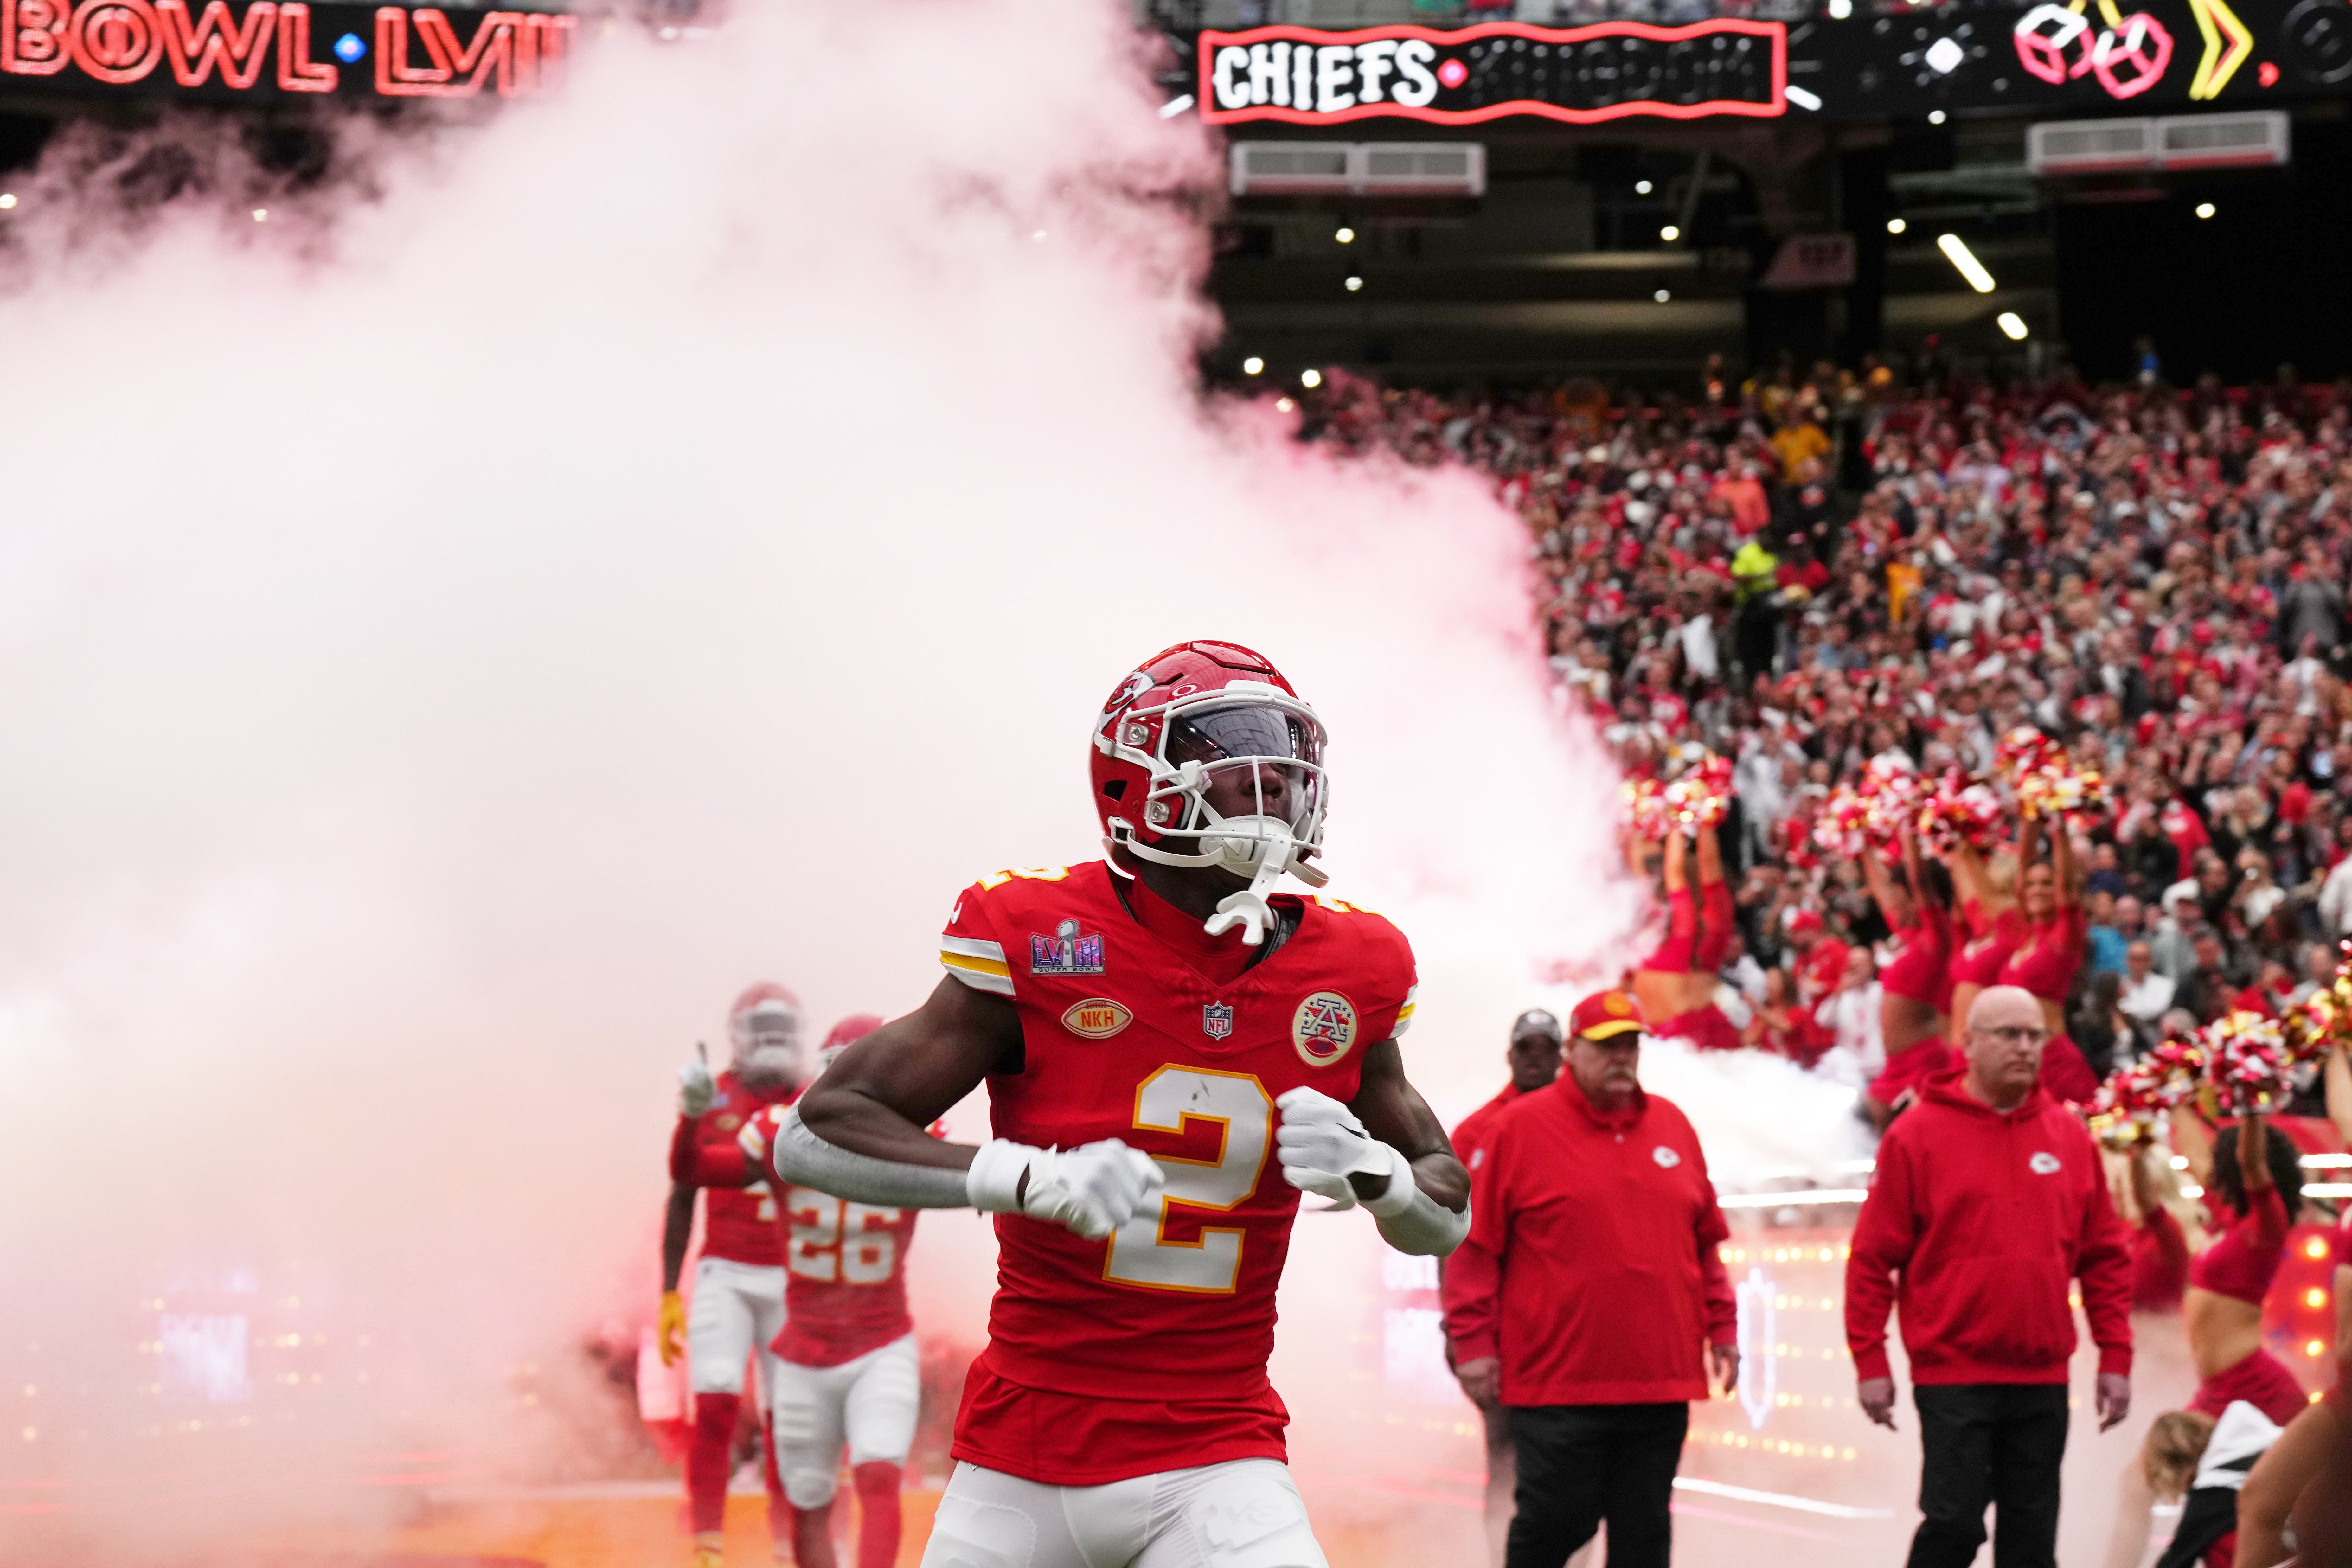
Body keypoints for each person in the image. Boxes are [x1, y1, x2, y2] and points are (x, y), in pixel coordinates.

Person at [772, 640, 1470, 1568]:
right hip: (1023, 1446)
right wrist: (1024, 1175)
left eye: (1283, 760)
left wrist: (1378, 1175)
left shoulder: (1352, 966)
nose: (1271, 786)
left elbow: (1446, 1206)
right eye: (1234, 761)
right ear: (1132, 780)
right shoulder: (1039, 934)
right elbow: (813, 1131)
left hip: (1219, 1446)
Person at [1443, 989, 1738, 1568]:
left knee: (1644, 1531)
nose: (1621, 1057)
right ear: (1572, 1051)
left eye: (1630, 1044)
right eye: (1607, 1046)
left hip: (1659, 1378)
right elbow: (1473, 1250)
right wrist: (1473, 1345)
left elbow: (1704, 1244)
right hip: (1556, 1383)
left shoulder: (1674, 1125)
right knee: (1553, 1524)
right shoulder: (1515, 1130)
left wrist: (1723, 1326)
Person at [1846, 984, 2133, 1568]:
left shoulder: (2069, 1136)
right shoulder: (1915, 1134)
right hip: (1953, 1372)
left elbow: (2103, 1255)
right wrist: (1869, 1360)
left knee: (2030, 1540)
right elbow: (1873, 1258)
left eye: (2034, 1035)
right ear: (1968, 1043)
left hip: (2041, 1373)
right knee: (1953, 1524)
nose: (2025, 1047)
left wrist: (2115, 1356)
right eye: (2008, 1034)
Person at [674, 1015, 914, 1568]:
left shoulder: (917, 1125)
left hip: (874, 1330)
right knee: (730, 1406)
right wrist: (689, 1117)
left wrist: (1009, 1177)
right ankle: (709, 1545)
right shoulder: (780, 1121)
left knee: (875, 1467)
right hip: (782, 1301)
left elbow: (968, 1176)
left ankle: (794, 1542)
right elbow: (692, 1173)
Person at [663, 983, 808, 1568]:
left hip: (789, 1274)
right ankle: (707, 1546)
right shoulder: (713, 1096)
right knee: (717, 1396)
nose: (773, 1037)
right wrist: (666, 1289)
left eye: (782, 1024)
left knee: (788, 1416)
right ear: (737, 1033)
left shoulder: (812, 1098)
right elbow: (682, 1192)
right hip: (724, 1266)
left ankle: (785, 1544)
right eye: (762, 1024)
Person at [1448, 1010, 1569, 1568]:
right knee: (1506, 1459)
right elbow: (1449, 1237)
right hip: (1499, 1330)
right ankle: (1504, 1556)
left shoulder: (1584, 1120)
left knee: (1576, 1463)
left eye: (1547, 1046)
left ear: (1562, 1054)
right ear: (1510, 1054)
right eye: (1526, 1046)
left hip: (1566, 1329)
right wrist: (1463, 1335)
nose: (1535, 1055)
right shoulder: (1476, 1130)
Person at [1996, 816, 2102, 1102]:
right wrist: (2029, 819)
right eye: (2031, 884)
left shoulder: (2064, 937)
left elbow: (2067, 888)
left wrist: (2059, 826)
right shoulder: (2025, 936)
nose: (2036, 890)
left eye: (2046, 883)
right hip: (2019, 1064)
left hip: (2055, 1063)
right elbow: (2022, 874)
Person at [1863, 828, 1954, 1125]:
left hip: (1922, 1061)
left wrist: (1906, 830)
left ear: (1917, 900)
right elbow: (1880, 889)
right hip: (1896, 1064)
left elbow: (1920, 881)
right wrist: (1859, 842)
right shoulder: (1909, 937)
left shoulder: (1936, 940)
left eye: (1900, 896)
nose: (1893, 902)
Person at [1629, 822, 1740, 1050]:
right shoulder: (1662, 920)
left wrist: (1678, 817)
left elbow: (1682, 870)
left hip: (1679, 1031)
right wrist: (1640, 822)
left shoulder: (1689, 924)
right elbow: (1641, 870)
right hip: (1659, 1030)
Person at [2119, 940, 2177, 1029]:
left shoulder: (2165, 985)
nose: (2139, 964)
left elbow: (2156, 1010)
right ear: (2127, 961)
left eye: (2143, 959)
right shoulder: (2119, 986)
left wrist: (2127, 1010)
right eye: (2135, 959)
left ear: (2151, 961)